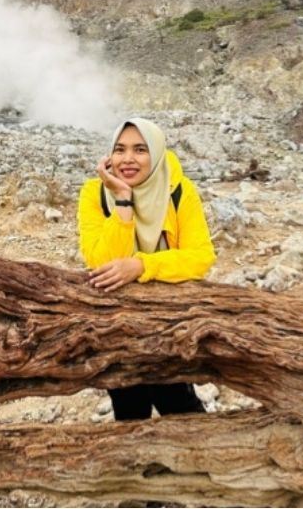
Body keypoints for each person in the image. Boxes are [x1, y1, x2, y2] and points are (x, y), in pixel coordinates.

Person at [77, 116, 216, 421]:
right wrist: (123, 201)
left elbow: (201, 256)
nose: (128, 159)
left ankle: (198, 456)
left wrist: (141, 265)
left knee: (176, 399)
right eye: (120, 149)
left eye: (140, 149)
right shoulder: (94, 193)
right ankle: (134, 461)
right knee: (128, 404)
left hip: (167, 318)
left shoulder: (179, 191)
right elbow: (100, 262)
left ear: (156, 152)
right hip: (114, 320)